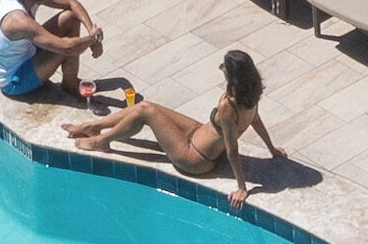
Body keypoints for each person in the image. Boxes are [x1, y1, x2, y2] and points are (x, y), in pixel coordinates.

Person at [66, 50, 284, 209]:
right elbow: (256, 120)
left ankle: (102, 141)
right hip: (198, 133)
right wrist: (272, 149)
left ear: (233, 77)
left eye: (225, 68)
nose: (222, 70)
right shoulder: (252, 93)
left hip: (195, 158)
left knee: (146, 111)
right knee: (146, 106)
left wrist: (242, 187)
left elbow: (232, 150)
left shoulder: (228, 105)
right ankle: (92, 126)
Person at [0, 0, 101, 99]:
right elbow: (67, 48)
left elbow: (72, 3)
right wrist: (93, 40)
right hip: (15, 80)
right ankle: (70, 87)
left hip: (27, 53)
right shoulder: (18, 20)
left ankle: (69, 82)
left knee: (70, 17)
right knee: (67, 44)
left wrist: (92, 30)